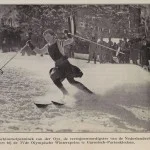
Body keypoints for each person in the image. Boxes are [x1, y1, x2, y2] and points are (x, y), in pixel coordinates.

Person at [25, 29, 93, 99]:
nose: (47, 38)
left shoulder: (58, 42)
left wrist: (68, 35)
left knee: (72, 82)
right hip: (58, 66)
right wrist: (31, 45)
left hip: (65, 65)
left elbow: (70, 41)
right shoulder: (47, 46)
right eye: (45, 37)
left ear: (52, 36)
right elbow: (39, 51)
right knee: (54, 77)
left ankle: (89, 93)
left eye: (48, 36)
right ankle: (66, 94)